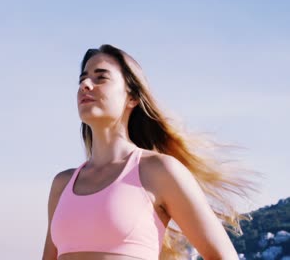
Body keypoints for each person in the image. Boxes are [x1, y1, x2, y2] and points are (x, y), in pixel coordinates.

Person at [41, 44, 256, 260]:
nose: (85, 85)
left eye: (100, 78)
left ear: (132, 97)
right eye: (82, 79)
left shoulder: (160, 171)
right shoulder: (63, 184)